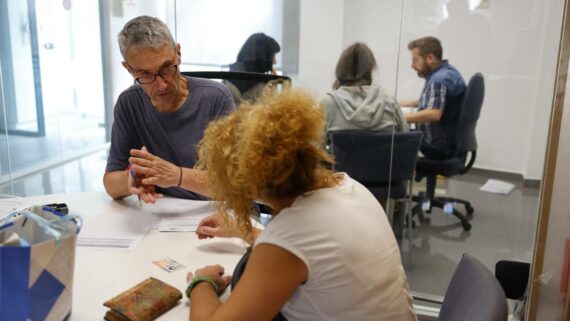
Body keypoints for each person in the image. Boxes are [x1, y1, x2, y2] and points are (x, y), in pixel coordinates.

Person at [185, 90, 417, 321]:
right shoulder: (350, 187)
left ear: (247, 185)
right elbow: (313, 252)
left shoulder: (289, 238)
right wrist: (243, 230)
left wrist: (202, 283)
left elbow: (293, 245)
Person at [103, 16, 235, 203]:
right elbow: (110, 183)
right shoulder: (129, 103)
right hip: (164, 214)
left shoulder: (216, 97)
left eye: (166, 68)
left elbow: (232, 184)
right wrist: (131, 179)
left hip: (215, 211)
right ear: (129, 69)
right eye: (145, 74)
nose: (162, 85)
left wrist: (177, 176)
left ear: (178, 53)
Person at [402, 36, 466, 159]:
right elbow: (440, 101)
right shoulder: (448, 72)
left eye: (415, 60)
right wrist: (409, 103)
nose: (412, 66)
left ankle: (394, 177)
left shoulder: (439, 79)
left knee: (390, 137)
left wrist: (400, 118)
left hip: (437, 146)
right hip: (449, 142)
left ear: (430, 58)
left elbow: (434, 114)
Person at [323, 42, 409, 133]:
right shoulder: (388, 100)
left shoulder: (329, 102)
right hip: (382, 148)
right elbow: (405, 136)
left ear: (340, 68)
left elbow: (317, 142)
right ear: (371, 68)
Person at [226, 33, 281, 104]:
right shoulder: (265, 88)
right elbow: (275, 110)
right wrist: (273, 85)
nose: (275, 62)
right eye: (273, 56)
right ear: (264, 57)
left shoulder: (226, 82)